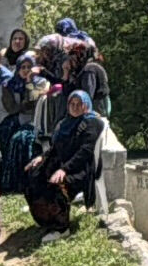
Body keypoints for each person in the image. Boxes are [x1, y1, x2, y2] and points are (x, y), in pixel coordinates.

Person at [18, 90, 103, 235]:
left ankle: (61, 228)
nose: (75, 107)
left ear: (86, 105)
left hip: (79, 167)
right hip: (61, 163)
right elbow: (56, 147)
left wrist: (64, 169)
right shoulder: (65, 123)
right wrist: (42, 157)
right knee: (33, 175)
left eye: (79, 104)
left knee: (56, 185)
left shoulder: (92, 122)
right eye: (72, 104)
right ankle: (45, 219)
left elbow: (85, 151)